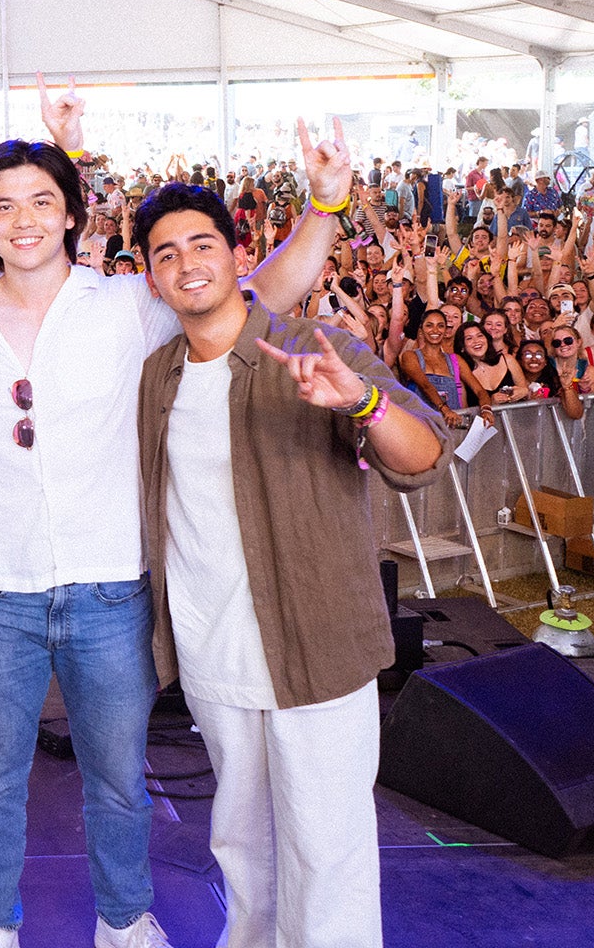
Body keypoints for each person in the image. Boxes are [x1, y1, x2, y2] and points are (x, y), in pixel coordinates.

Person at [0, 105, 353, 948]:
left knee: (118, 781)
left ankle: (123, 921)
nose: (25, 220)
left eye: (43, 201)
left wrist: (324, 206)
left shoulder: (122, 307)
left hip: (109, 588)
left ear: (72, 214)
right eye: (3, 206)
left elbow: (256, 294)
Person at [133, 182, 449, 948]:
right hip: (213, 655)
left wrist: (361, 404)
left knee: (327, 851)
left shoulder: (312, 348)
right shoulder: (156, 376)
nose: (187, 264)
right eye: (166, 254)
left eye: (202, 245)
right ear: (150, 276)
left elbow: (424, 456)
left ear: (238, 255)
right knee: (242, 847)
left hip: (317, 647)